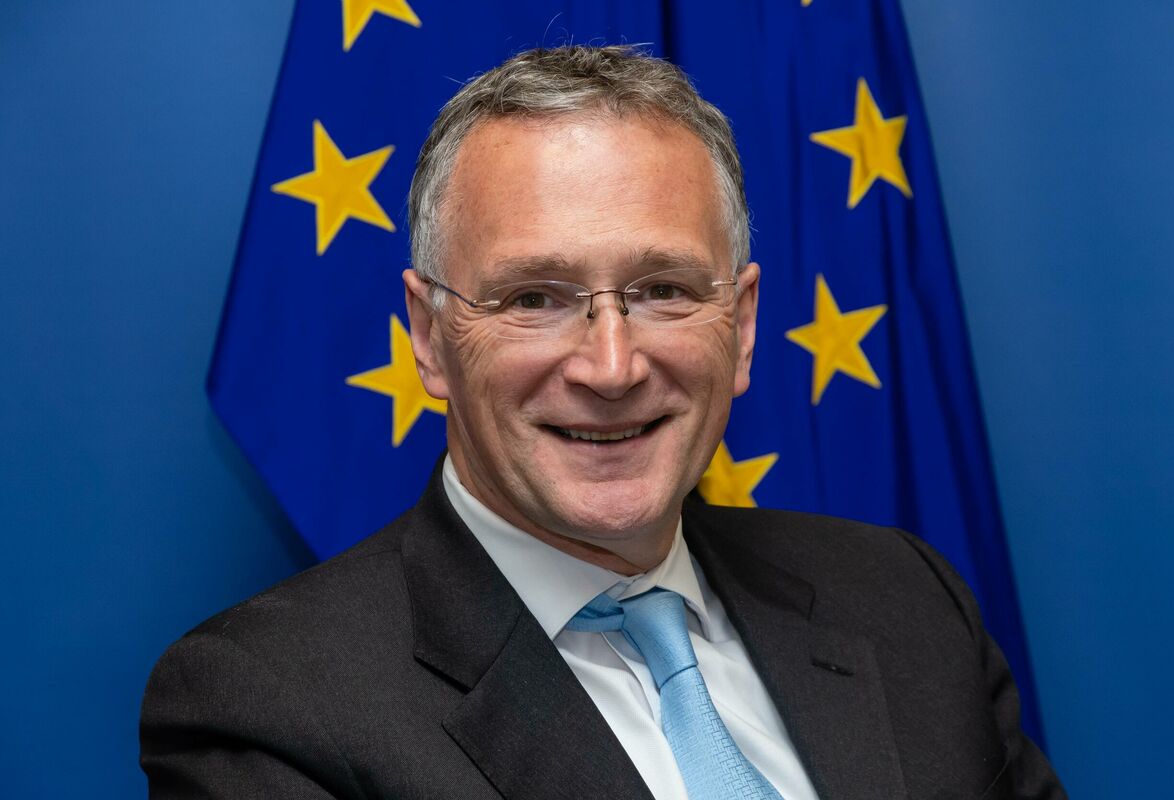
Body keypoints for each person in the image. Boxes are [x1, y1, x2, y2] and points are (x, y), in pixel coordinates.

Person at [141, 45, 1065, 799]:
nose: (612, 367)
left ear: (742, 326)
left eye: (663, 290)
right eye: (534, 298)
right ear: (429, 337)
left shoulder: (909, 605)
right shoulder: (268, 709)